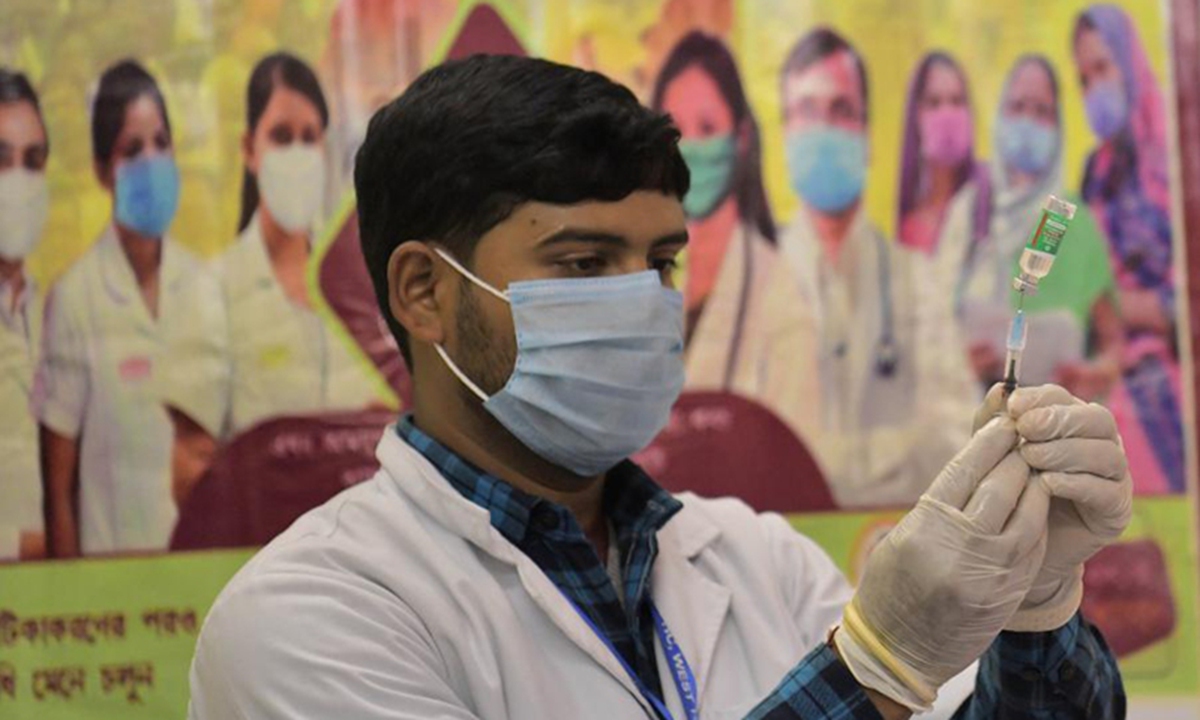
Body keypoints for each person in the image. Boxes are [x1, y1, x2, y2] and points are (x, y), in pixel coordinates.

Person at [189, 54, 1130, 720]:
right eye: (585, 263)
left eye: (662, 263)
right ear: (424, 292)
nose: (642, 305)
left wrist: (1038, 610)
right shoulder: (308, 622)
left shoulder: (759, 563)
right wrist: (874, 669)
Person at [776, 28, 975, 507]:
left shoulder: (915, 277)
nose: (823, 129)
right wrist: (896, 453)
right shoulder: (758, 279)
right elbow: (746, 452)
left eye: (841, 111)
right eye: (806, 111)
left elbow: (955, 441)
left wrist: (820, 463)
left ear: (866, 135)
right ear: (784, 135)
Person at [34, 60, 226, 557]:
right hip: (112, 586)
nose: (152, 161)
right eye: (132, 149)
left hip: (199, 573)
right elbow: (58, 487)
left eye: (161, 144)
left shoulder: (204, 287)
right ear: (102, 171)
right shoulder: (76, 296)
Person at [650, 32, 819, 444]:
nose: (689, 147)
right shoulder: (634, 272)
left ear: (741, 138)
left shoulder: (781, 291)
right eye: (674, 130)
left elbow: (796, 453)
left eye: (707, 128)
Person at [218, 52, 384, 438]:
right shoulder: (215, 288)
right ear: (248, 148)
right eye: (281, 136)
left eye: (309, 137)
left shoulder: (357, 283)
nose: (297, 152)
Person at [951, 55, 1123, 401]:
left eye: (1042, 112)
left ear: (1058, 128)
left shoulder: (1064, 217)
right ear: (1000, 117)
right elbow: (925, 336)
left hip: (1054, 429)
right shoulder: (972, 207)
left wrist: (1096, 374)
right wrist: (957, 363)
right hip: (972, 427)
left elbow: (1113, 343)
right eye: (1017, 107)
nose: (1028, 121)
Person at [1072, 4, 1185, 494]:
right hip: (1109, 386)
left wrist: (1148, 310)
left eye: (1103, 67)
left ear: (1130, 60)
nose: (1096, 89)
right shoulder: (1092, 176)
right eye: (1084, 79)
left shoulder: (1179, 163)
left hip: (1175, 389)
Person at [0, 69, 48, 561]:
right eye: (1, 159)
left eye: (33, 161)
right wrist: (23, 546)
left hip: (63, 613)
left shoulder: (51, 310)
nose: (18, 180)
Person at [895, 51, 991, 299]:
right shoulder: (908, 229)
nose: (946, 114)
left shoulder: (988, 197)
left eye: (957, 101)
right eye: (934, 103)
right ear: (916, 117)